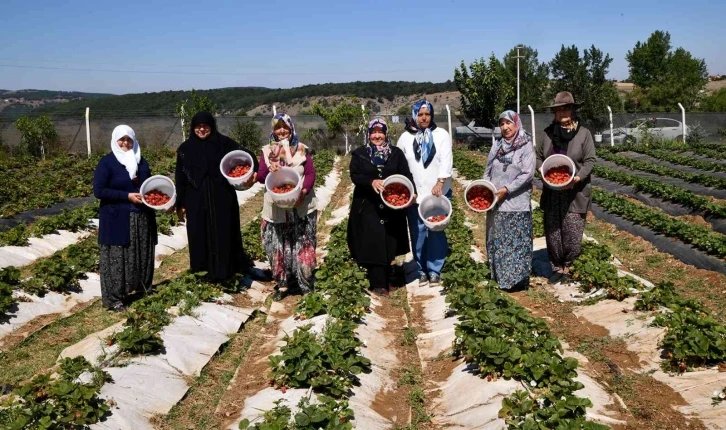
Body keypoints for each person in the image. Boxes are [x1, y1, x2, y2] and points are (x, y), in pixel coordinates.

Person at [175, 112, 258, 283]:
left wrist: (252, 172)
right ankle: (202, 273)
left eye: (206, 126)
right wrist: (181, 203)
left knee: (224, 231)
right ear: (193, 128)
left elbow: (247, 156)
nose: (202, 129)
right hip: (196, 199)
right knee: (199, 233)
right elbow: (180, 178)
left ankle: (226, 272)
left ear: (212, 126)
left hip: (222, 197)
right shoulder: (185, 149)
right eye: (198, 126)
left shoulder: (224, 143)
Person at [348, 118, 416, 296]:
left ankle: (390, 277)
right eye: (373, 132)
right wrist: (371, 181)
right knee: (373, 240)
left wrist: (412, 191)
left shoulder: (396, 153)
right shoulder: (360, 153)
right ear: (369, 134)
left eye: (380, 132)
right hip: (368, 204)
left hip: (392, 203)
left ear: (386, 133)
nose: (377, 135)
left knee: (390, 239)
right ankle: (378, 282)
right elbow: (355, 175)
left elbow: (406, 174)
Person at [93, 125, 158, 312]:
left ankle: (141, 288)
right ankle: (114, 299)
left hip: (142, 216)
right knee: (117, 257)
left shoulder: (141, 161)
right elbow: (99, 191)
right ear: (114, 140)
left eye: (129, 139)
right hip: (117, 218)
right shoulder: (107, 163)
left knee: (141, 253)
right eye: (121, 139)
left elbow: (149, 184)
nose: (125, 143)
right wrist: (126, 196)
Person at [535, 91, 596, 281]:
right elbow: (537, 157)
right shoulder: (547, 134)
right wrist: (541, 170)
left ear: (572, 111)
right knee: (553, 230)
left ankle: (569, 266)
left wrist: (577, 178)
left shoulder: (584, 134)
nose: (562, 114)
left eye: (565, 109)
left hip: (575, 190)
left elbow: (590, 160)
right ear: (554, 113)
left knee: (572, 230)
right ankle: (556, 267)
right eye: (558, 110)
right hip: (552, 189)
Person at [257, 113, 318, 297]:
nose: (281, 130)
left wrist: (304, 191)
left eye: (285, 126)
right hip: (277, 207)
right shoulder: (267, 151)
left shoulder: (301, 149)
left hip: (301, 205)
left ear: (291, 128)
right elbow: (260, 177)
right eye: (277, 127)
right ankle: (283, 284)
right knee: (277, 246)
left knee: (304, 244)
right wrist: (269, 169)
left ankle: (305, 285)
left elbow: (310, 173)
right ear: (273, 130)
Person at [398, 100, 453, 287]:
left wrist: (440, 181)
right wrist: (406, 190)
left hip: (438, 192)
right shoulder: (405, 137)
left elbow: (446, 160)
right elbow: (400, 164)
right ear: (414, 115)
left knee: (436, 231)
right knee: (417, 232)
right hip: (415, 195)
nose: (424, 118)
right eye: (420, 114)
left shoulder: (441, 135)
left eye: (427, 114)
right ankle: (421, 270)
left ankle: (435, 270)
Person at [484, 111, 535, 291]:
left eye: (508, 123)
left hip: (516, 203)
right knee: (499, 240)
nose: (505, 127)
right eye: (502, 124)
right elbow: (487, 171)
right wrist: (486, 190)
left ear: (516, 123)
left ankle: (517, 281)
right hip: (496, 202)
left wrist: (507, 189)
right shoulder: (497, 146)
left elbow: (528, 174)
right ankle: (501, 279)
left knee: (516, 241)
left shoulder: (526, 145)